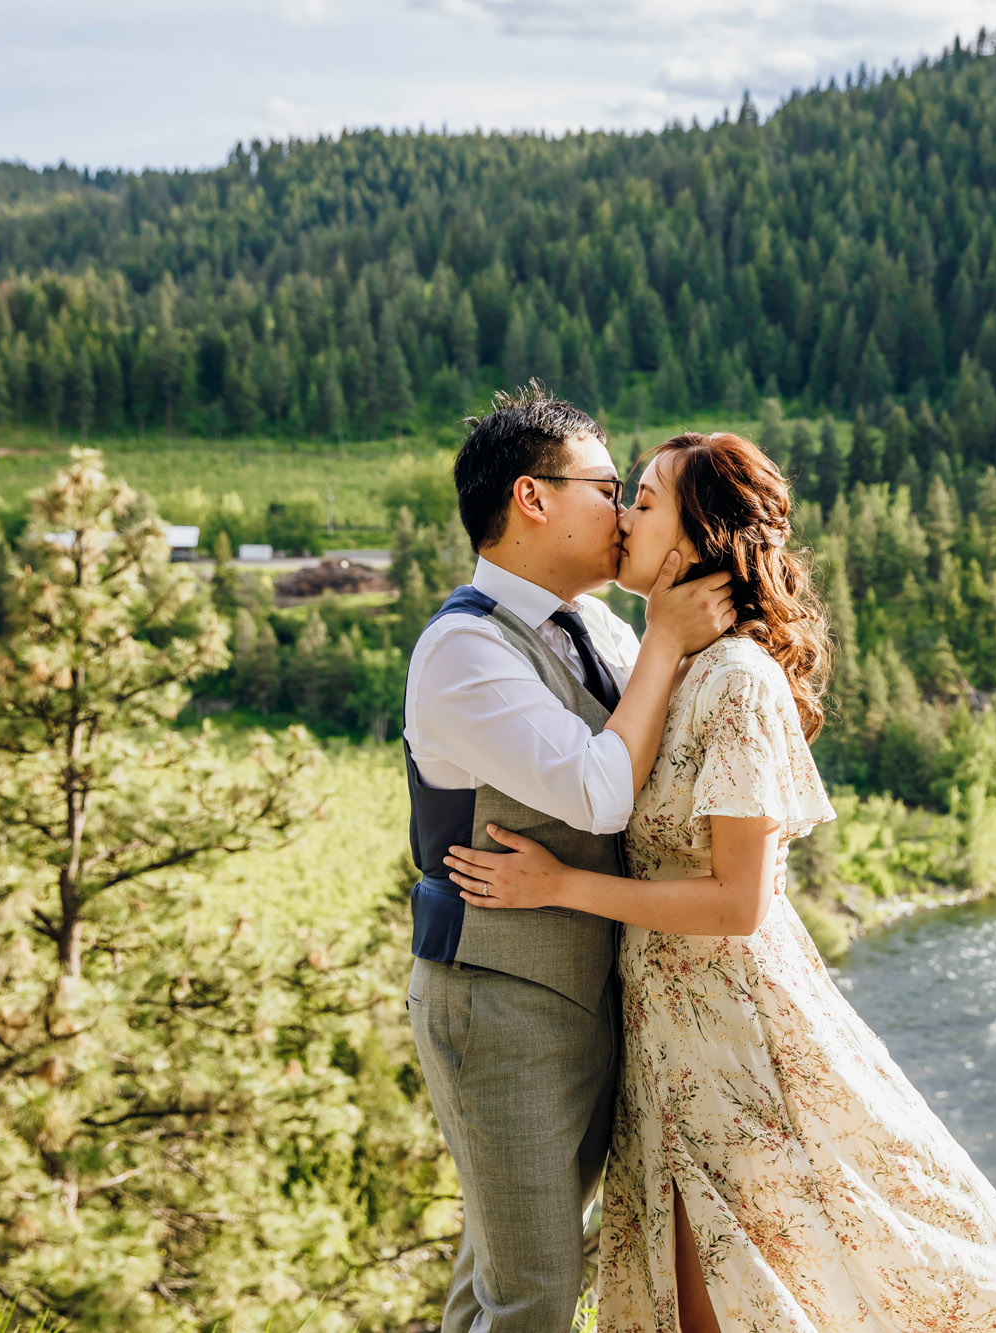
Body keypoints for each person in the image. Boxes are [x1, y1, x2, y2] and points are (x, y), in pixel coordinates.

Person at [444, 431, 996, 1333]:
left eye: (642, 499)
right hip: (665, 1032)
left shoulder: (738, 682)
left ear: (698, 537)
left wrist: (559, 885)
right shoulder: (664, 667)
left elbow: (739, 904)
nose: (624, 516)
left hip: (737, 1032)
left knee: (789, 1269)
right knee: (697, 1290)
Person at [402, 385, 736, 1333]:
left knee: (504, 1274)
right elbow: (600, 789)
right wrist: (670, 636)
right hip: (496, 1002)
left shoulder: (600, 628)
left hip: (591, 989)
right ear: (533, 498)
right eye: (607, 484)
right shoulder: (462, 650)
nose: (622, 508)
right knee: (538, 1291)